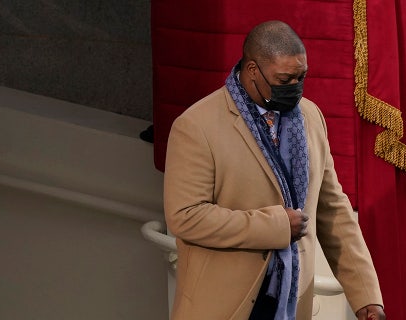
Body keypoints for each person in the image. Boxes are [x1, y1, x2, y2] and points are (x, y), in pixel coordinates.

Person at [164, 20, 385, 320]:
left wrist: (365, 296)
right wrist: (276, 227)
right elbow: (185, 217)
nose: (295, 87)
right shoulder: (196, 126)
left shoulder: (311, 116)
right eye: (285, 79)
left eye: (301, 77)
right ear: (253, 70)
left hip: (291, 304)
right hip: (225, 307)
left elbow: (332, 209)